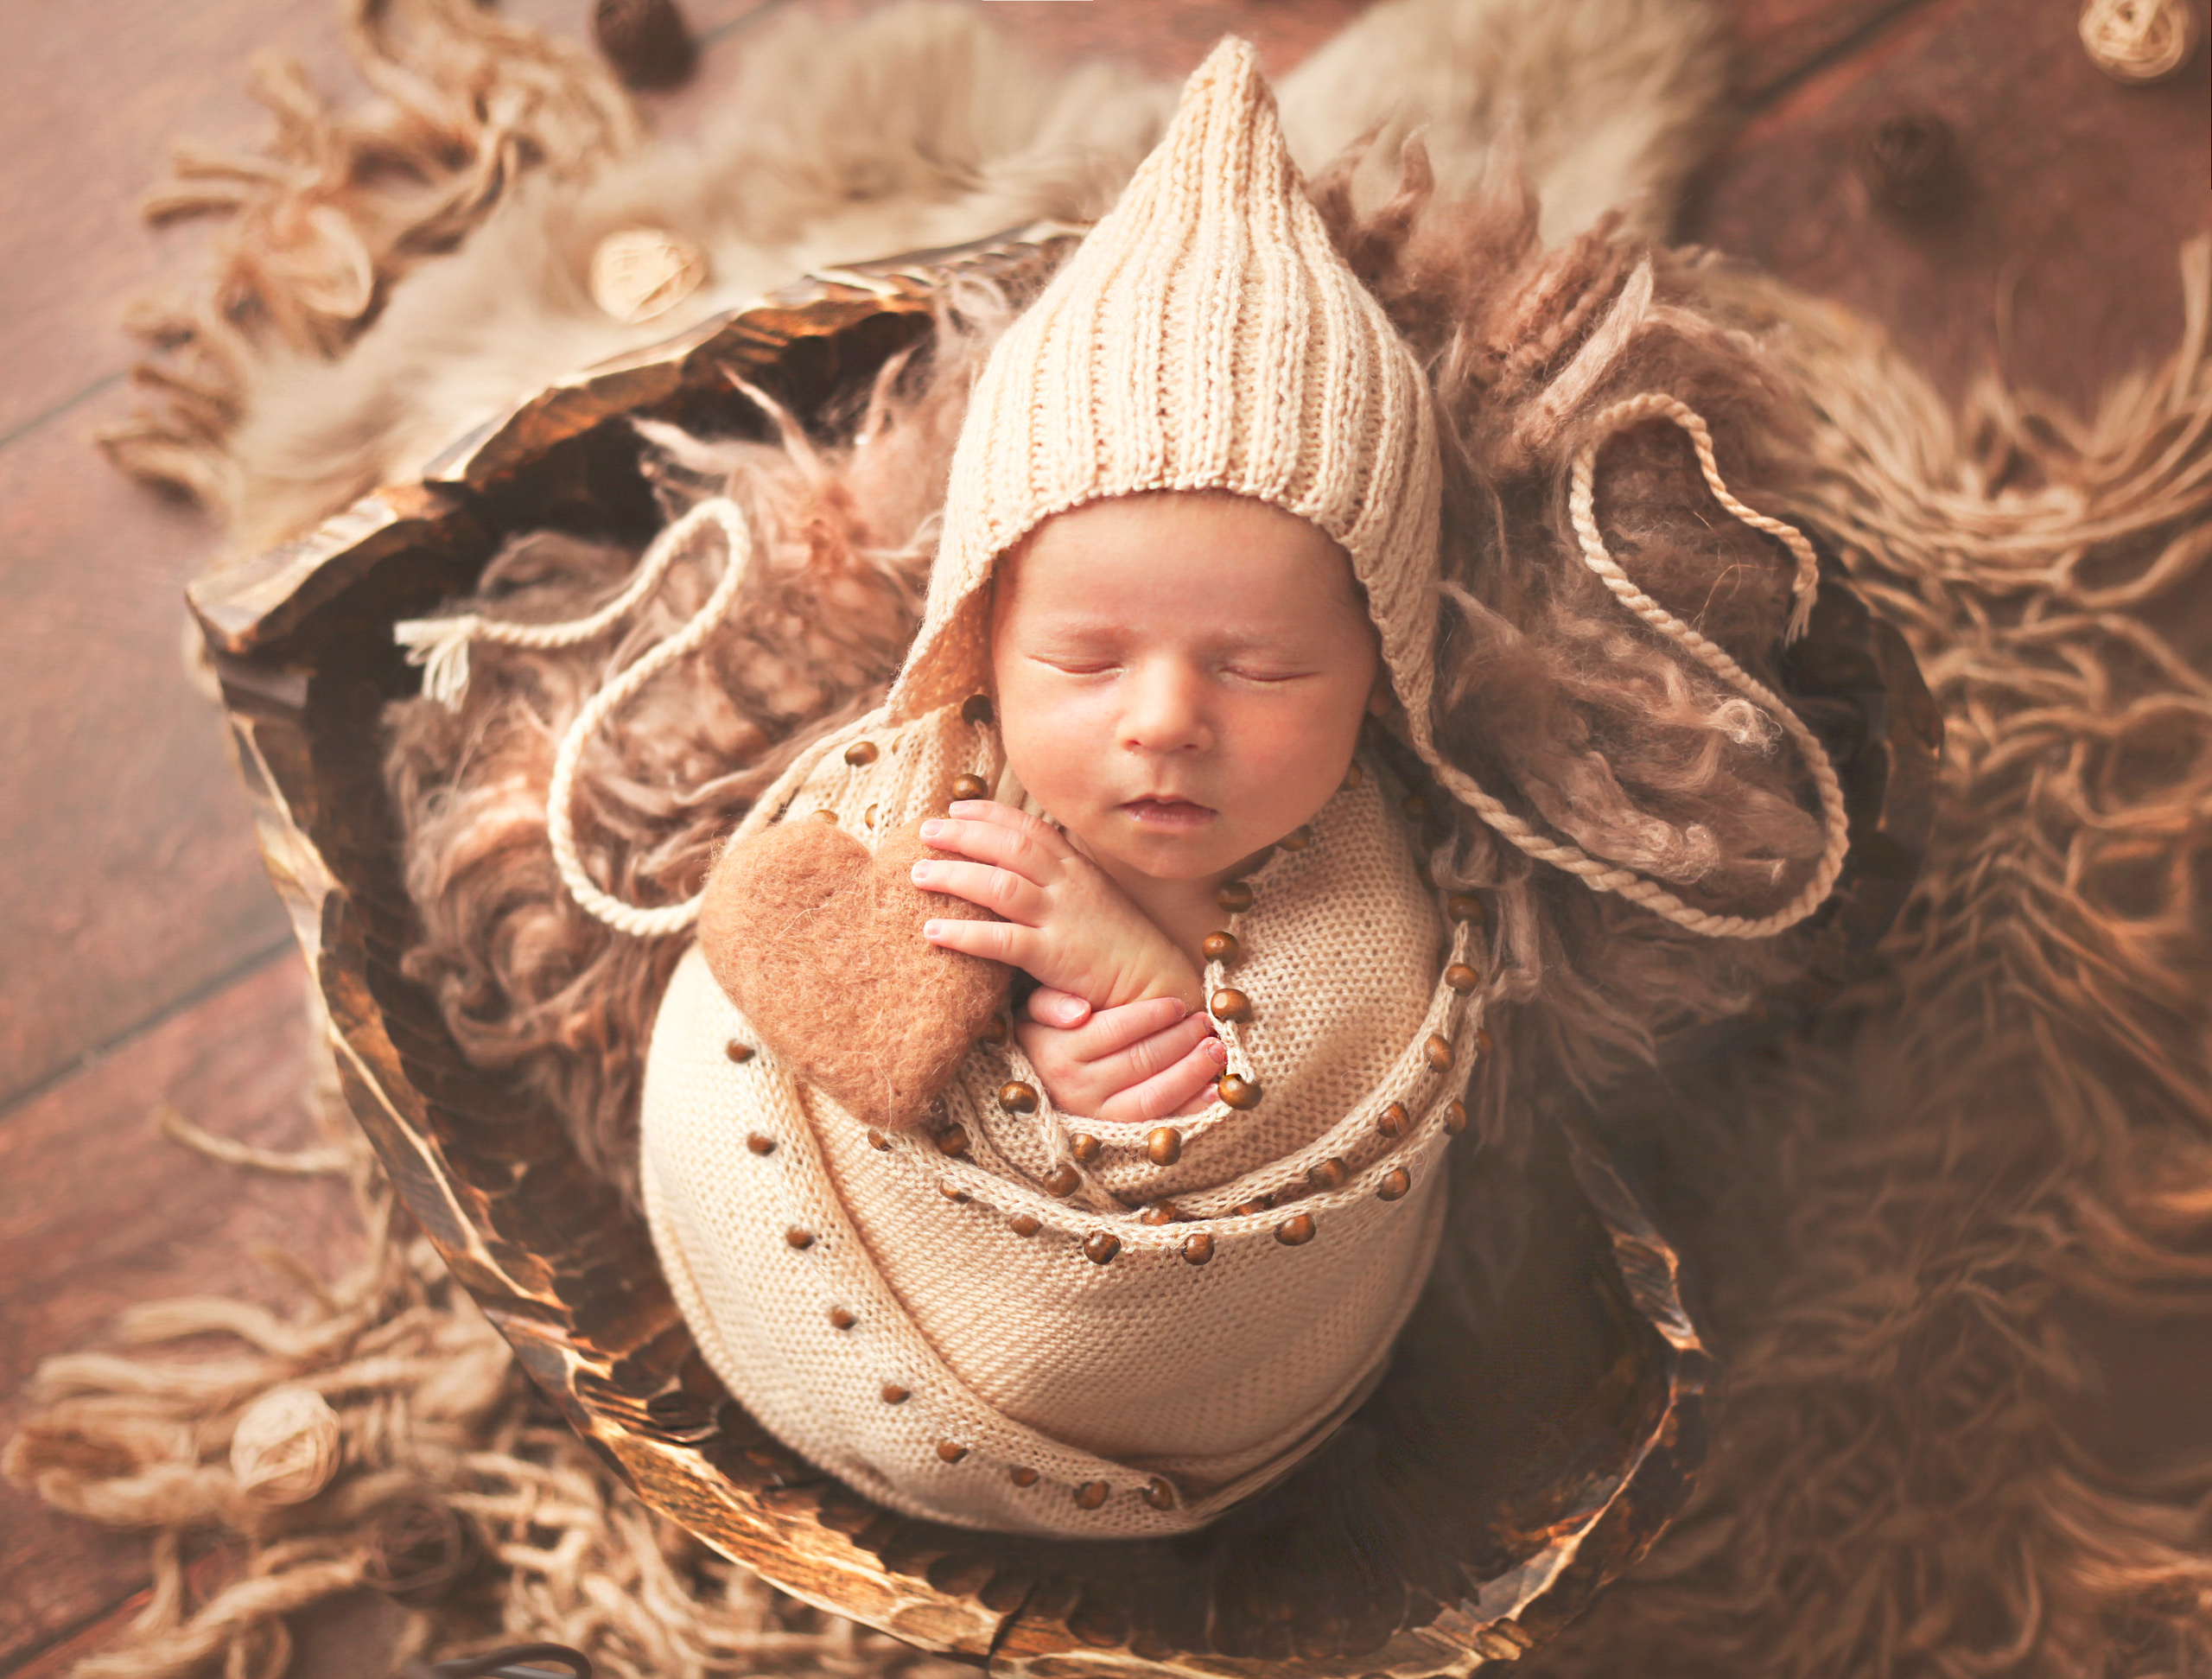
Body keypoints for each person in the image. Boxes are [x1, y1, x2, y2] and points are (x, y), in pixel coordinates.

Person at [495, 35, 1844, 1540]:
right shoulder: (927, 781)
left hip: (1155, 1405)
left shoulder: (1361, 921)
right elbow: (776, 949)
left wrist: (1136, 996)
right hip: (734, 1254)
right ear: (979, 637)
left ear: (1380, 672)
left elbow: (1312, 1117)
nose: (1167, 724)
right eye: (1084, 659)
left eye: (1262, 670)